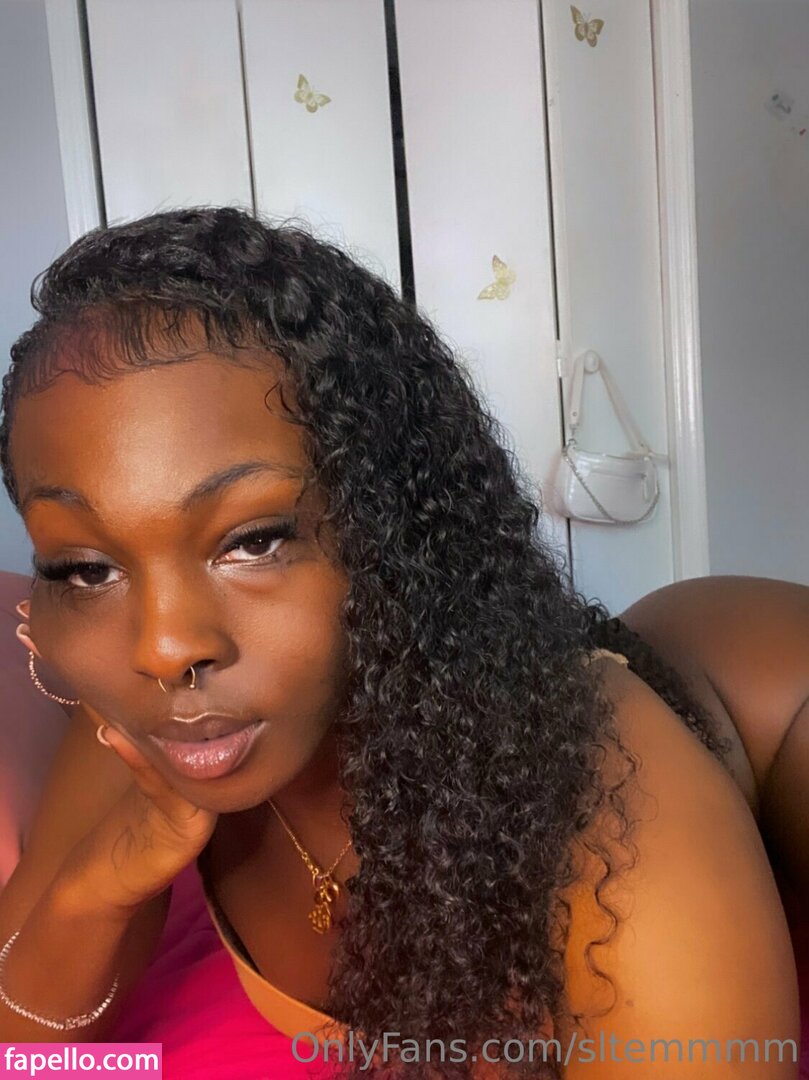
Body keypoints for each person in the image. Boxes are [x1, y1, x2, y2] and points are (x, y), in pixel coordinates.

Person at [0, 207, 800, 1078]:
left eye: (255, 540)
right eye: (85, 569)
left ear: (391, 529)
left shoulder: (610, 797)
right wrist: (110, 879)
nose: (162, 648)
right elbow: (23, 1042)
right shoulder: (145, 721)